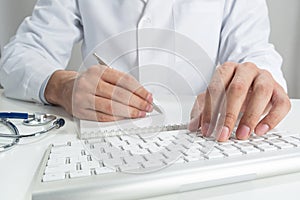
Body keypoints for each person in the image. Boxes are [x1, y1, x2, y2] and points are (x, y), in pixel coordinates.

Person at [0, 0, 291, 142]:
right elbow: (19, 55)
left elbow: (255, 52)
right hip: (101, 141)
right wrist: (63, 87)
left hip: (202, 139)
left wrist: (254, 80)